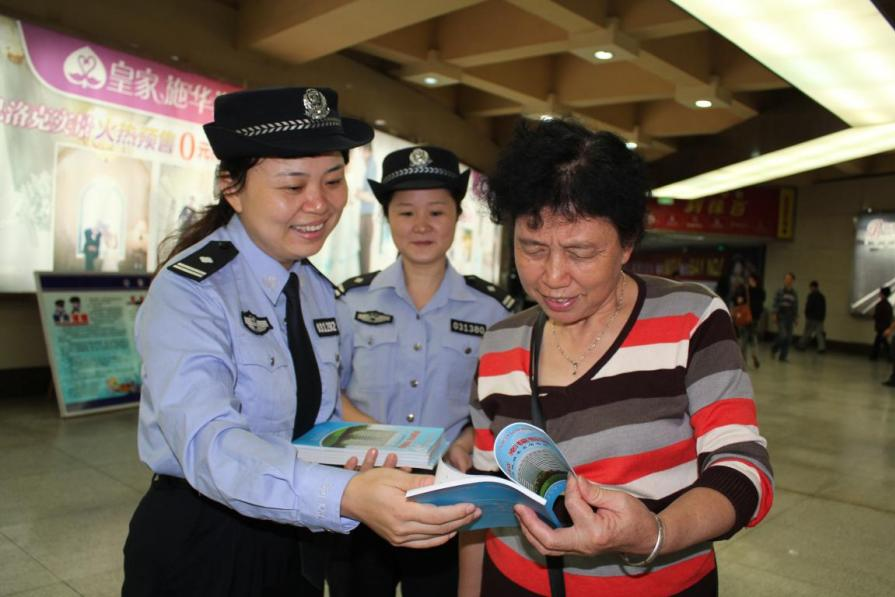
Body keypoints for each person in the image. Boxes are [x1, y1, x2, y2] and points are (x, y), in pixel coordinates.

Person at [121, 87, 479, 597]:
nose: (319, 204)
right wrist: (348, 495)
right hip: (203, 539)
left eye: (332, 181)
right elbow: (208, 443)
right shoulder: (192, 292)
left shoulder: (314, 289)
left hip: (300, 532)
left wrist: (413, 462)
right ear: (231, 187)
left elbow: (323, 416)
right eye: (293, 185)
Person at [461, 119, 773, 596]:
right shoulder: (500, 342)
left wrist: (655, 533)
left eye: (581, 252)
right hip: (513, 582)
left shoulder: (690, 318)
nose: (553, 277)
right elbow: (485, 495)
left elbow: (743, 467)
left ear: (627, 245)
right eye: (533, 248)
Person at [327, 146, 515, 597]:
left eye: (436, 211)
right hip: (362, 485)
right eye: (406, 212)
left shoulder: (492, 311)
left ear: (457, 216)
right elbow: (329, 391)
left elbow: (496, 402)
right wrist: (390, 443)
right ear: (388, 218)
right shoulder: (350, 301)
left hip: (444, 496)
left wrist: (466, 442)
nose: (422, 225)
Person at [770, 272, 798, 362]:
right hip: (781, 316)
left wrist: (796, 317)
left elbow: (795, 306)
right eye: (786, 279)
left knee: (789, 338)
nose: (787, 280)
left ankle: (783, 356)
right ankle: (774, 348)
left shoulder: (794, 293)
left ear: (792, 281)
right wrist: (774, 314)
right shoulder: (780, 291)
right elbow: (775, 303)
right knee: (783, 335)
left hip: (790, 316)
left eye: (789, 279)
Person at [797, 280, 826, 352]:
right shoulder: (822, 296)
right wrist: (822, 317)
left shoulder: (811, 296)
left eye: (811, 287)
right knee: (819, 333)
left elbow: (809, 306)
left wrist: (806, 314)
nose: (810, 289)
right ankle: (821, 348)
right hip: (819, 318)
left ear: (813, 287)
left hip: (811, 317)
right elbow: (824, 308)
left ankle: (801, 345)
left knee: (807, 332)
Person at [746, 273, 766, 368]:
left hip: (751, 316)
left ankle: (751, 356)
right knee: (752, 337)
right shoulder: (760, 291)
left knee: (748, 337)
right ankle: (753, 355)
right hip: (753, 316)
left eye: (750, 280)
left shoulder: (749, 291)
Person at [871, 286, 893, 361]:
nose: (879, 294)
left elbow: (877, 316)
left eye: (880, 293)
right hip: (884, 326)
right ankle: (874, 355)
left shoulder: (881, 305)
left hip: (881, 327)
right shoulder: (888, 305)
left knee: (881, 341)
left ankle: (890, 356)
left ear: (882, 294)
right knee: (880, 341)